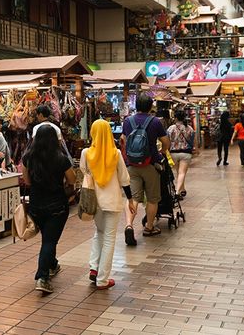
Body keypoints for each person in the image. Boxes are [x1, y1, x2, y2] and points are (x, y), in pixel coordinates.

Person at [22, 126, 76, 294]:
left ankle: (52, 264)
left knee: (48, 238)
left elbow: (27, 181)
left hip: (36, 205)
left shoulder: (28, 158)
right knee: (49, 241)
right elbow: (72, 179)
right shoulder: (61, 159)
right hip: (57, 206)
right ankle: (42, 277)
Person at [82, 119, 135, 290]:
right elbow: (125, 179)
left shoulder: (86, 153)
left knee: (99, 232)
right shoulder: (116, 154)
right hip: (112, 201)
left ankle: (93, 268)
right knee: (109, 239)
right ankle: (103, 279)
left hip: (94, 201)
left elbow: (84, 172)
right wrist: (131, 199)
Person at [120, 94, 170, 245]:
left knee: (133, 198)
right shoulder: (155, 122)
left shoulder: (128, 121)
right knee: (153, 198)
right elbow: (165, 141)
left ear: (136, 106)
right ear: (150, 106)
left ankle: (129, 225)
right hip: (150, 164)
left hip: (132, 165)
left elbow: (123, 140)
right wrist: (162, 152)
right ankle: (149, 227)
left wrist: (127, 157)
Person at [168, 110, 195, 197]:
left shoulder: (171, 128)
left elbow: (167, 141)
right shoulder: (189, 128)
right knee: (182, 173)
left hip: (173, 153)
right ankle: (177, 191)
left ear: (175, 118)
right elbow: (193, 141)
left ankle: (181, 189)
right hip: (186, 153)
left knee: (178, 173)